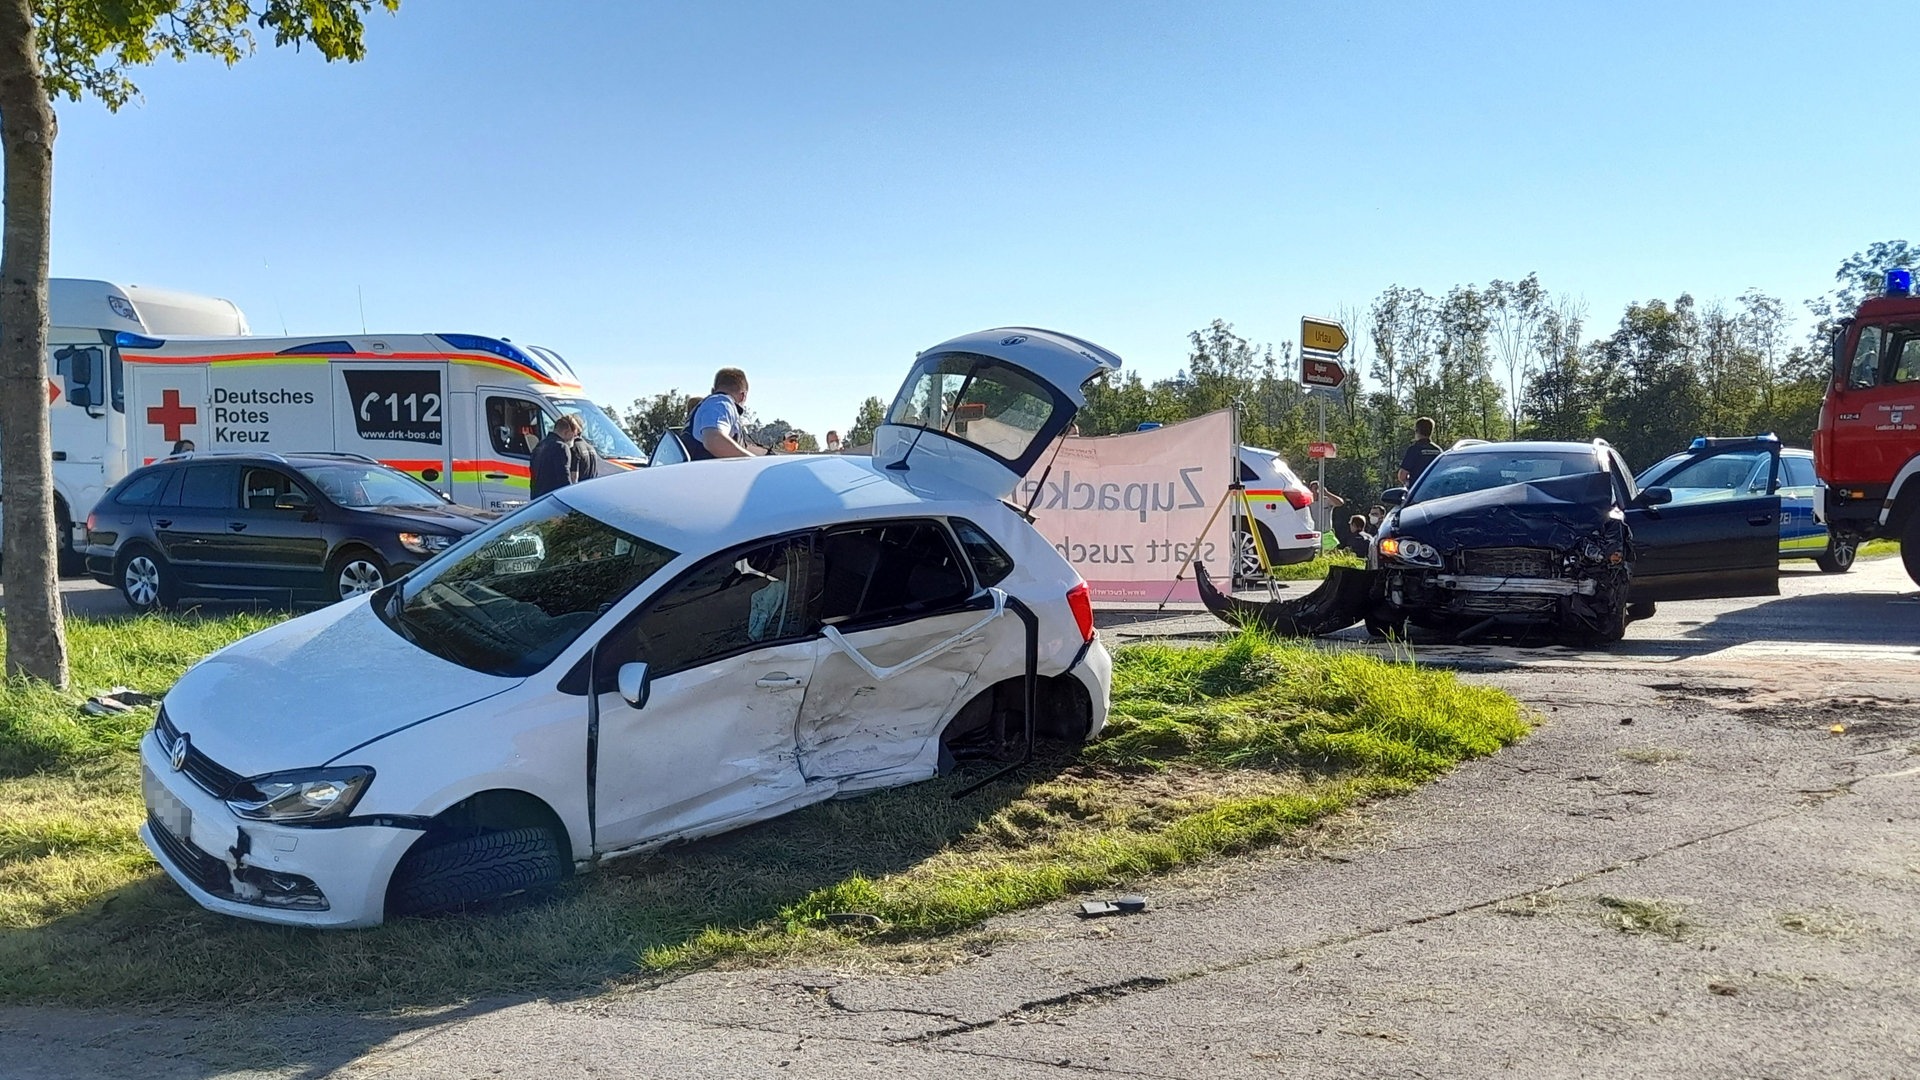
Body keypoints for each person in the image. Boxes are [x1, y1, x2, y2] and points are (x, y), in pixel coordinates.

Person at [687, 368, 754, 460]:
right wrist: (753, 461)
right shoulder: (720, 403)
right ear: (743, 396)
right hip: (709, 473)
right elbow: (714, 441)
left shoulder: (706, 405)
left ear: (713, 390)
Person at [530, 414, 583, 498]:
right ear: (567, 432)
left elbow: (533, 479)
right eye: (574, 435)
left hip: (538, 500)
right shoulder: (562, 447)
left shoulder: (539, 446)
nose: (574, 438)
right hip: (553, 499)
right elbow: (564, 481)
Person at [1398, 417, 1442, 486]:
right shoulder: (1438, 450)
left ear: (1417, 430)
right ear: (1431, 431)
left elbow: (1402, 476)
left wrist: (1408, 485)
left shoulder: (1414, 450)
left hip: (1419, 493)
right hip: (1436, 490)